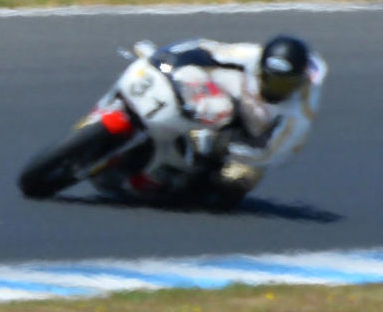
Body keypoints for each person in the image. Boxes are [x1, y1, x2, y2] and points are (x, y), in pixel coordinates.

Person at [127, 35, 325, 209]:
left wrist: (221, 143)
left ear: (299, 81)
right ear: (261, 67)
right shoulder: (249, 56)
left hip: (253, 136)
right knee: (189, 73)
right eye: (271, 78)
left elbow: (267, 152)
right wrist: (167, 58)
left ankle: (177, 183)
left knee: (233, 181)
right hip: (230, 98)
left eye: (285, 83)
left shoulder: (299, 115)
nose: (275, 87)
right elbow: (205, 48)